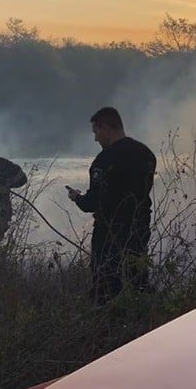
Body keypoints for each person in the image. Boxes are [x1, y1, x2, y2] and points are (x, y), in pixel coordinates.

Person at [66, 107, 156, 304]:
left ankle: (109, 326)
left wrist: (77, 198)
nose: (96, 139)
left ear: (106, 127)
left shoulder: (104, 160)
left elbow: (93, 202)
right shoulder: (146, 154)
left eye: (96, 132)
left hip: (109, 232)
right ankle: (146, 317)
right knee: (138, 278)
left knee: (105, 283)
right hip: (139, 227)